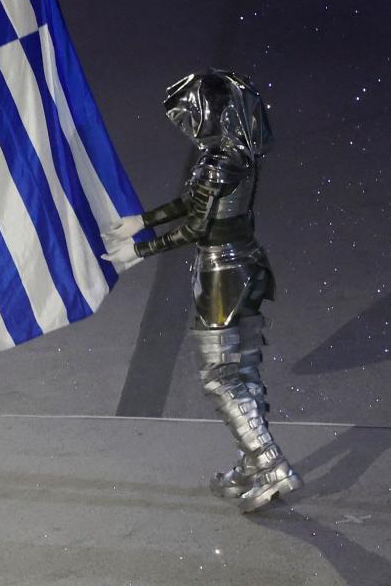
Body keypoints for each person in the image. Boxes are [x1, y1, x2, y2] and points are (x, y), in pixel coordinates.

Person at [101, 70, 301, 513]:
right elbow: (196, 203)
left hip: (222, 275)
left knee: (218, 376)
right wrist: (144, 221)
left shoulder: (218, 160)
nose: (185, 127)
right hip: (247, 264)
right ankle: (253, 460)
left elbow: (196, 225)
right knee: (243, 368)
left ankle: (269, 464)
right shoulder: (237, 151)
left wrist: (142, 250)